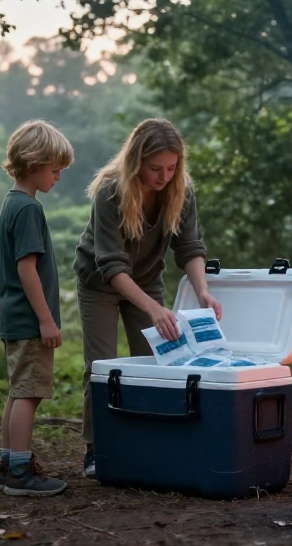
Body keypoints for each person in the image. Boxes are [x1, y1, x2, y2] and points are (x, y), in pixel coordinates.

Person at [73, 118, 222, 479]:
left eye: (172, 168)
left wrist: (202, 289)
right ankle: (98, 449)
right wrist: (154, 309)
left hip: (147, 279)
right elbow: (110, 265)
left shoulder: (181, 190)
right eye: (156, 168)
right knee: (102, 365)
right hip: (101, 283)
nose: (164, 176)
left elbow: (190, 246)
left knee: (159, 360)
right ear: (137, 160)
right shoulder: (111, 191)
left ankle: (147, 439)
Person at [0, 119, 73, 497]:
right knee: (29, 392)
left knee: (18, 390)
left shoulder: (13, 203)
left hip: (14, 318)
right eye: (55, 169)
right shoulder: (28, 209)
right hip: (29, 319)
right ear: (34, 163)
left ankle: (9, 463)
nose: (58, 176)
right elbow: (27, 269)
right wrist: (46, 320)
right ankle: (21, 473)